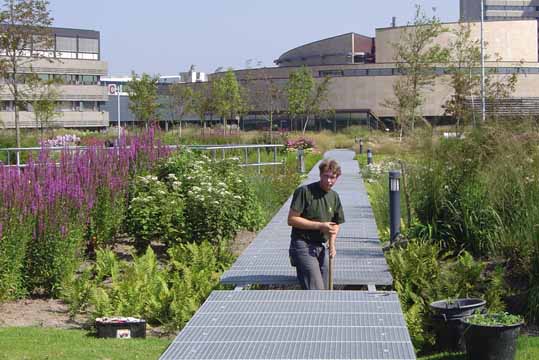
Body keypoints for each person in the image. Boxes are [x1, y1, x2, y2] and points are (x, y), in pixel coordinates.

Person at [288, 159, 345, 290]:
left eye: (333, 177)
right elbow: (291, 219)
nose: (329, 181)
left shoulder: (334, 196)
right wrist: (320, 226)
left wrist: (332, 243)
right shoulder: (304, 192)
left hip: (320, 245)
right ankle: (301, 265)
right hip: (301, 244)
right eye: (326, 176)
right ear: (320, 175)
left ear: (337, 178)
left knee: (326, 282)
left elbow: (335, 224)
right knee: (317, 287)